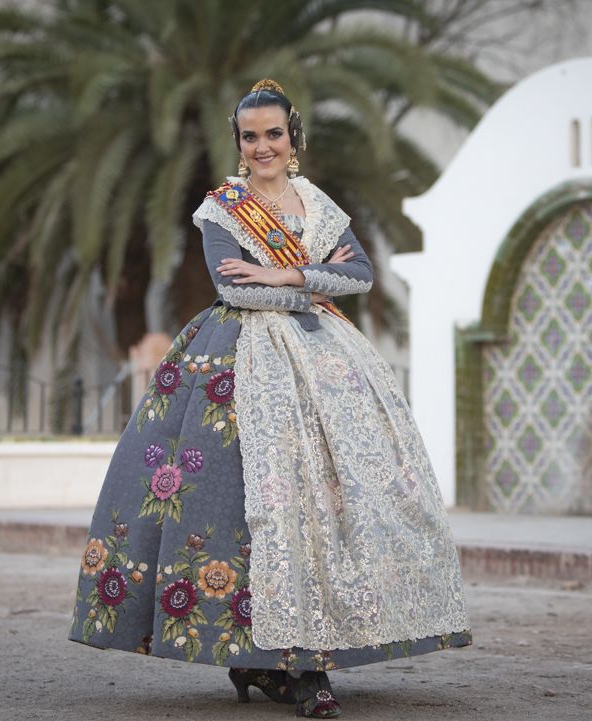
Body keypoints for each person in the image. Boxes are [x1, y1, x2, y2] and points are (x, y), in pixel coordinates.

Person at [69, 79, 471, 719]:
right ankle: (274, 663)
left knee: (323, 508)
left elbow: (360, 274)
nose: (263, 147)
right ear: (238, 143)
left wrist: (285, 274)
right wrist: (313, 286)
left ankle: (298, 659)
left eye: (273, 135)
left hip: (329, 371)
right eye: (250, 136)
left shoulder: (318, 205)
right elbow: (237, 292)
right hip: (242, 368)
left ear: (294, 138)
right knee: (249, 514)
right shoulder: (221, 210)